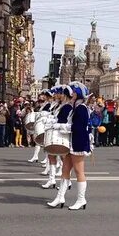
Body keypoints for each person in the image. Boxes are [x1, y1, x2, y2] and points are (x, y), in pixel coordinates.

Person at [64, 81, 92, 210]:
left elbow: (80, 127)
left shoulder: (81, 108)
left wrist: (66, 127)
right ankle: (60, 196)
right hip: (73, 141)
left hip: (78, 142)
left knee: (79, 171)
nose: (72, 94)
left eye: (74, 92)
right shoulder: (77, 107)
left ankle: (81, 199)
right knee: (65, 169)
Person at [47, 86, 74, 208]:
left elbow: (66, 122)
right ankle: (60, 194)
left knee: (70, 167)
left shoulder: (69, 106)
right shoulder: (61, 105)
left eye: (61, 93)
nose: (58, 95)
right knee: (55, 158)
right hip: (60, 133)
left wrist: (56, 123)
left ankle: (78, 197)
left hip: (65, 136)